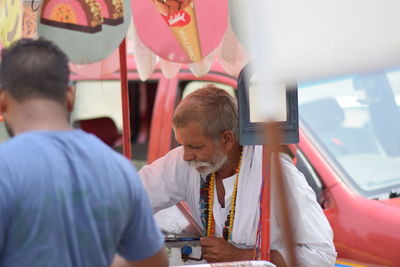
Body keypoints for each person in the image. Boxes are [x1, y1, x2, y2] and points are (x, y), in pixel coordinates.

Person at [0, 38, 168, 267]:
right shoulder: (118, 168)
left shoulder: (5, 168)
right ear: (70, 97)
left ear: (2, 103)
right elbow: (153, 263)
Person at [139, 85, 337, 266]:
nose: (186, 155)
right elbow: (134, 196)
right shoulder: (186, 162)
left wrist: (242, 257)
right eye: (182, 145)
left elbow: (322, 255)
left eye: (195, 147)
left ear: (227, 139)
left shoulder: (278, 177)